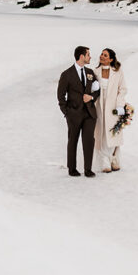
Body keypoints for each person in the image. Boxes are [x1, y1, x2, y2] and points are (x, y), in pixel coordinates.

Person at [57, 45, 100, 177]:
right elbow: (60, 96)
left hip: (89, 114)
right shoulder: (66, 74)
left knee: (89, 141)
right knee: (73, 141)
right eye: (88, 55)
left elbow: (97, 91)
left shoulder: (90, 73)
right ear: (81, 56)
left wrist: (91, 97)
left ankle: (88, 169)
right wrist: (67, 113)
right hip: (74, 114)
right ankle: (72, 168)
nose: (90, 57)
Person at [93, 47, 128, 173]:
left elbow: (123, 89)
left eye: (105, 55)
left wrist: (119, 105)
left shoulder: (118, 72)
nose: (102, 56)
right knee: (101, 132)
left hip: (113, 108)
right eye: (101, 54)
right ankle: (104, 160)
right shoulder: (95, 71)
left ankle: (114, 157)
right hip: (99, 107)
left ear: (111, 59)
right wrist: (93, 88)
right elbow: (91, 90)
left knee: (113, 132)